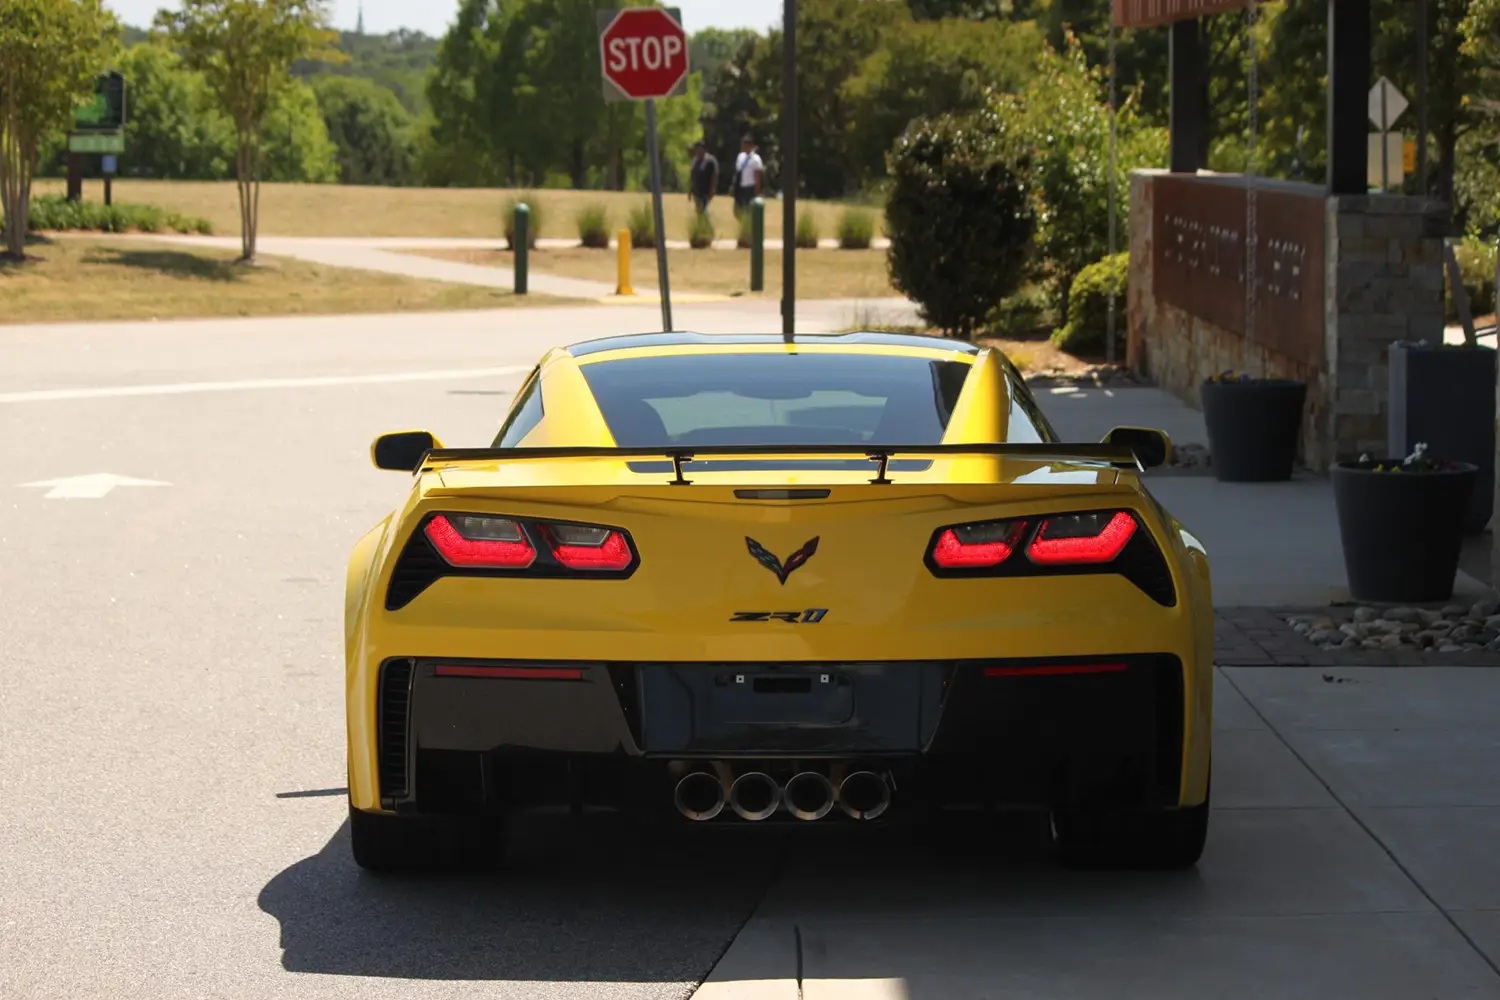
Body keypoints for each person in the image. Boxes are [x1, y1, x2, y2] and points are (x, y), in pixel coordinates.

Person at [732, 135, 763, 213]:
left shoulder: (756, 159)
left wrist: (757, 192)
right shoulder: (740, 156)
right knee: (738, 210)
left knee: (749, 210)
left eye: (745, 145)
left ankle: (748, 224)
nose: (743, 146)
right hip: (740, 187)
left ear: (750, 146)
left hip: (750, 188)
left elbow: (757, 176)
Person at [688, 140, 718, 215]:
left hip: (705, 192)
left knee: (704, 211)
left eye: (698, 148)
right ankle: (701, 225)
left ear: (703, 149)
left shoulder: (710, 161)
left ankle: (706, 225)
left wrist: (712, 190)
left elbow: (714, 176)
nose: (696, 151)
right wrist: (690, 190)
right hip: (696, 192)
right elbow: (692, 176)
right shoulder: (695, 160)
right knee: (699, 211)